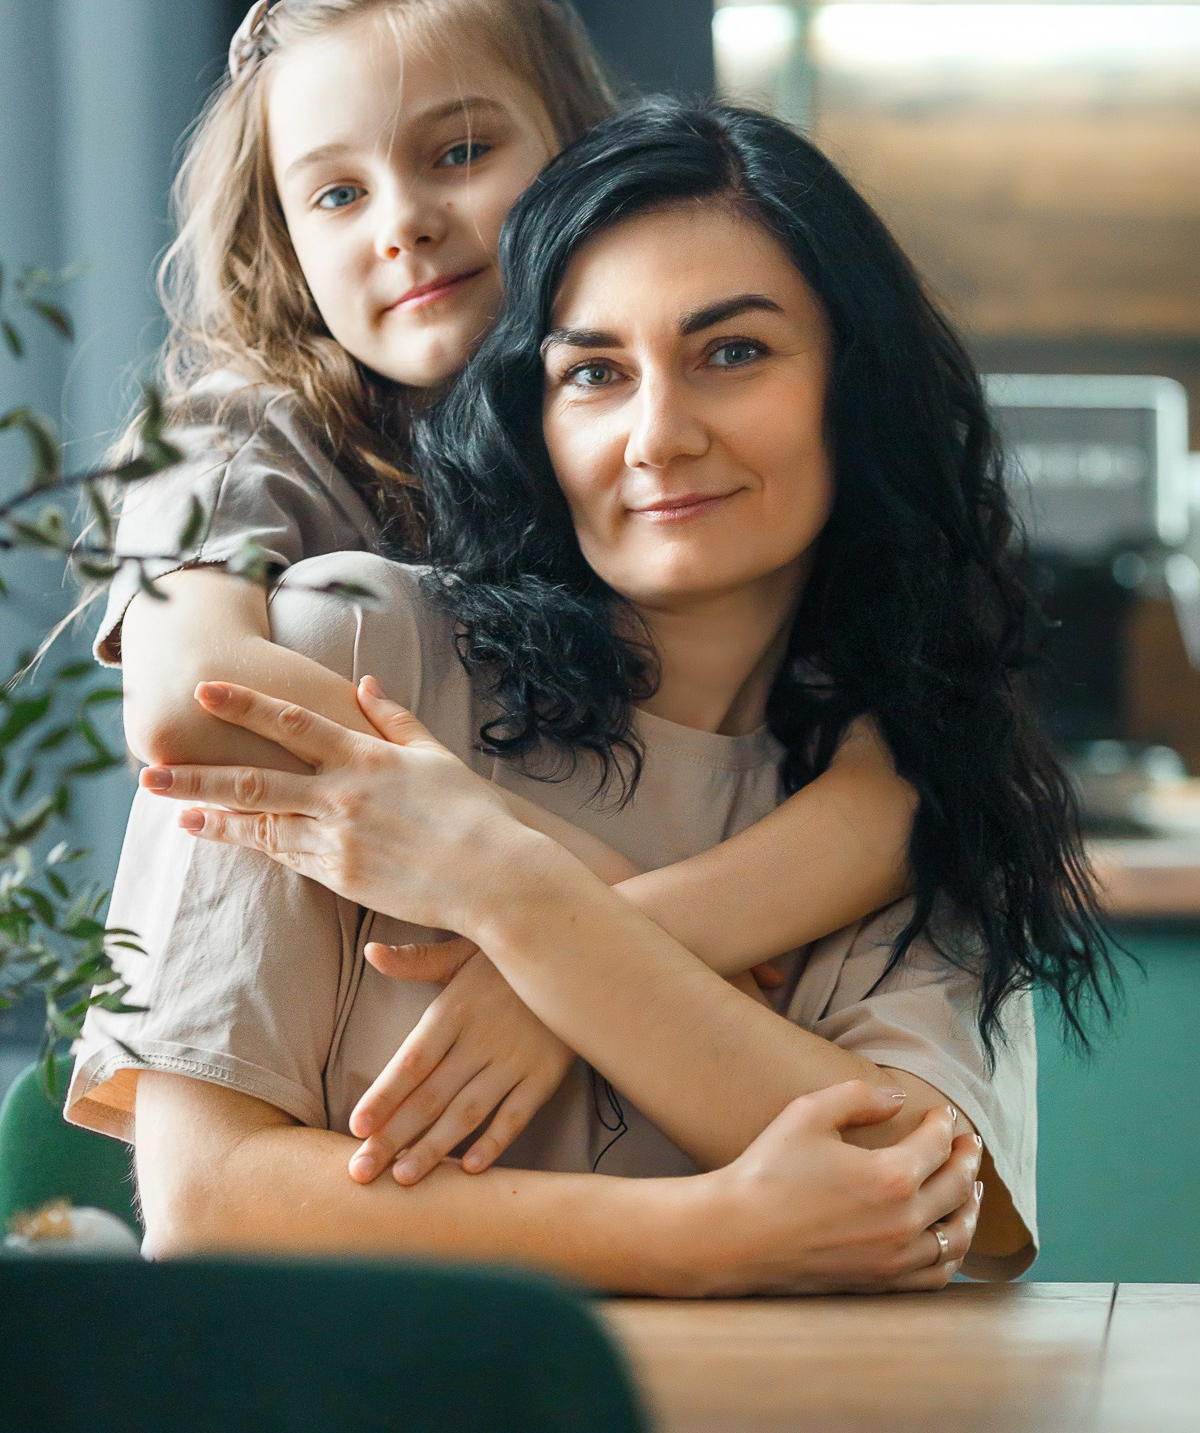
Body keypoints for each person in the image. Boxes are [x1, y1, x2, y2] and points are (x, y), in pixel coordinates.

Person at [69, 101, 1112, 1290]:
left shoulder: (914, 796)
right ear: (532, 415)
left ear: (858, 388)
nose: (658, 435)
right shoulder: (348, 652)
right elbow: (208, 1202)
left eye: (734, 353)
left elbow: (914, 1194)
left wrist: (511, 894)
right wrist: (716, 1233)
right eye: (595, 374)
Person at [95, 0, 919, 1187]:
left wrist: (595, 941)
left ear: (583, 158)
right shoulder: (237, 439)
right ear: (282, 249)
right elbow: (190, 703)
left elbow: (895, 803)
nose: (406, 221)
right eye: (336, 196)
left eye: (460, 154)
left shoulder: (667, 476)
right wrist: (547, 878)